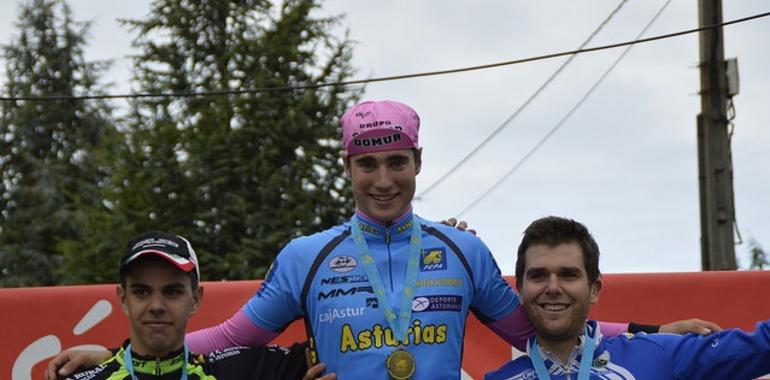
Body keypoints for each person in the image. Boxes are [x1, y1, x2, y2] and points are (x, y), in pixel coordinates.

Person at [49, 100, 717, 379]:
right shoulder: (307, 257)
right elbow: (229, 340)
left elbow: (540, 333)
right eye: (367, 164)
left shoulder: (463, 253)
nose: (383, 179)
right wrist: (117, 353)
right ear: (347, 167)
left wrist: (656, 332)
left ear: (418, 163)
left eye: (397, 162)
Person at [485, 216, 770, 380]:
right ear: (520, 291)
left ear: (594, 289)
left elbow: (761, 346)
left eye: (569, 275)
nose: (553, 287)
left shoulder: (656, 354)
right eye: (538, 276)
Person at [60, 231, 332, 380]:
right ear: (123, 299)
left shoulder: (238, 370)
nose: (156, 305)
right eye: (142, 292)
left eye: (172, 292)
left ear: (196, 298)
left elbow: (343, 344)